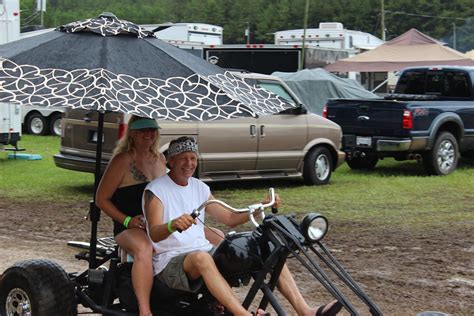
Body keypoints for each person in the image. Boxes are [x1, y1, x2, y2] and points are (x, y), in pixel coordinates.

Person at [144, 136, 342, 316]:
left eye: (193, 158)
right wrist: (172, 225)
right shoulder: (156, 190)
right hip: (169, 262)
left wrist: (259, 205)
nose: (189, 163)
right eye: (183, 158)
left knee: (268, 249)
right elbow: (154, 233)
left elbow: (229, 217)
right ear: (170, 161)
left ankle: (305, 311)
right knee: (201, 258)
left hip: (203, 254)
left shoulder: (199, 187)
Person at [96, 115, 166, 316]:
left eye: (152, 129)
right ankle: (145, 310)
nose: (149, 134)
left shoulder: (160, 158)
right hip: (128, 227)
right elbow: (102, 199)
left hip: (156, 224)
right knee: (145, 248)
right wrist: (128, 220)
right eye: (143, 130)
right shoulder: (123, 159)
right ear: (132, 133)